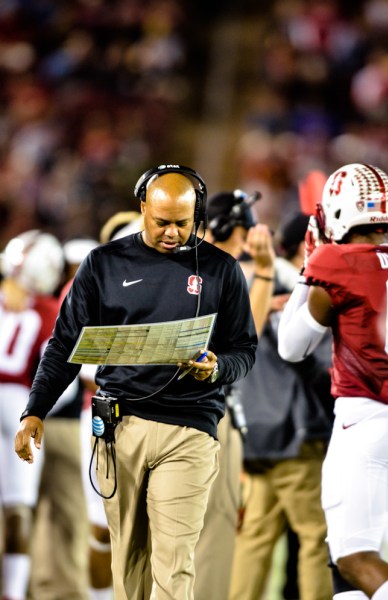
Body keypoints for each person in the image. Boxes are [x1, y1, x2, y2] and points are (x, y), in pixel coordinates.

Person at [14, 164, 258, 600]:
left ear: (198, 214)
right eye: (162, 221)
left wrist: (218, 366)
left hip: (190, 428)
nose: (172, 232)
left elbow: (245, 350)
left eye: (183, 223)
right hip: (117, 427)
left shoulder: (222, 270)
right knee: (128, 564)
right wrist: (35, 410)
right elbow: (64, 345)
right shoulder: (103, 264)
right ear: (141, 205)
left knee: (174, 561)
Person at [278, 163, 388, 600]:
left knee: (353, 557)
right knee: (351, 565)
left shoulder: (335, 262)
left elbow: (291, 346)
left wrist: (310, 266)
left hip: (365, 419)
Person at [228, 211, 334, 600]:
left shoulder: (250, 286)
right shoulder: (300, 293)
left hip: (255, 433)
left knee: (255, 535)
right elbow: (321, 368)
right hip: (295, 434)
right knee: (317, 535)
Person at [193, 189, 275, 600]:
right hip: (209, 415)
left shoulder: (173, 267)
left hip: (156, 413)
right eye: (244, 228)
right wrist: (264, 271)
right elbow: (247, 336)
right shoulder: (222, 271)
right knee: (214, 528)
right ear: (228, 227)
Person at [28, 238, 98, 600]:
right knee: (71, 513)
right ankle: (66, 590)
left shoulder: (40, 302)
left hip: (31, 415)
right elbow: (77, 374)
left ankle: (34, 585)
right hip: (65, 418)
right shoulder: (80, 293)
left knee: (32, 510)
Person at [0, 230, 64, 600]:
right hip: (20, 404)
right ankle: (12, 591)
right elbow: (62, 382)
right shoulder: (47, 313)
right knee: (19, 505)